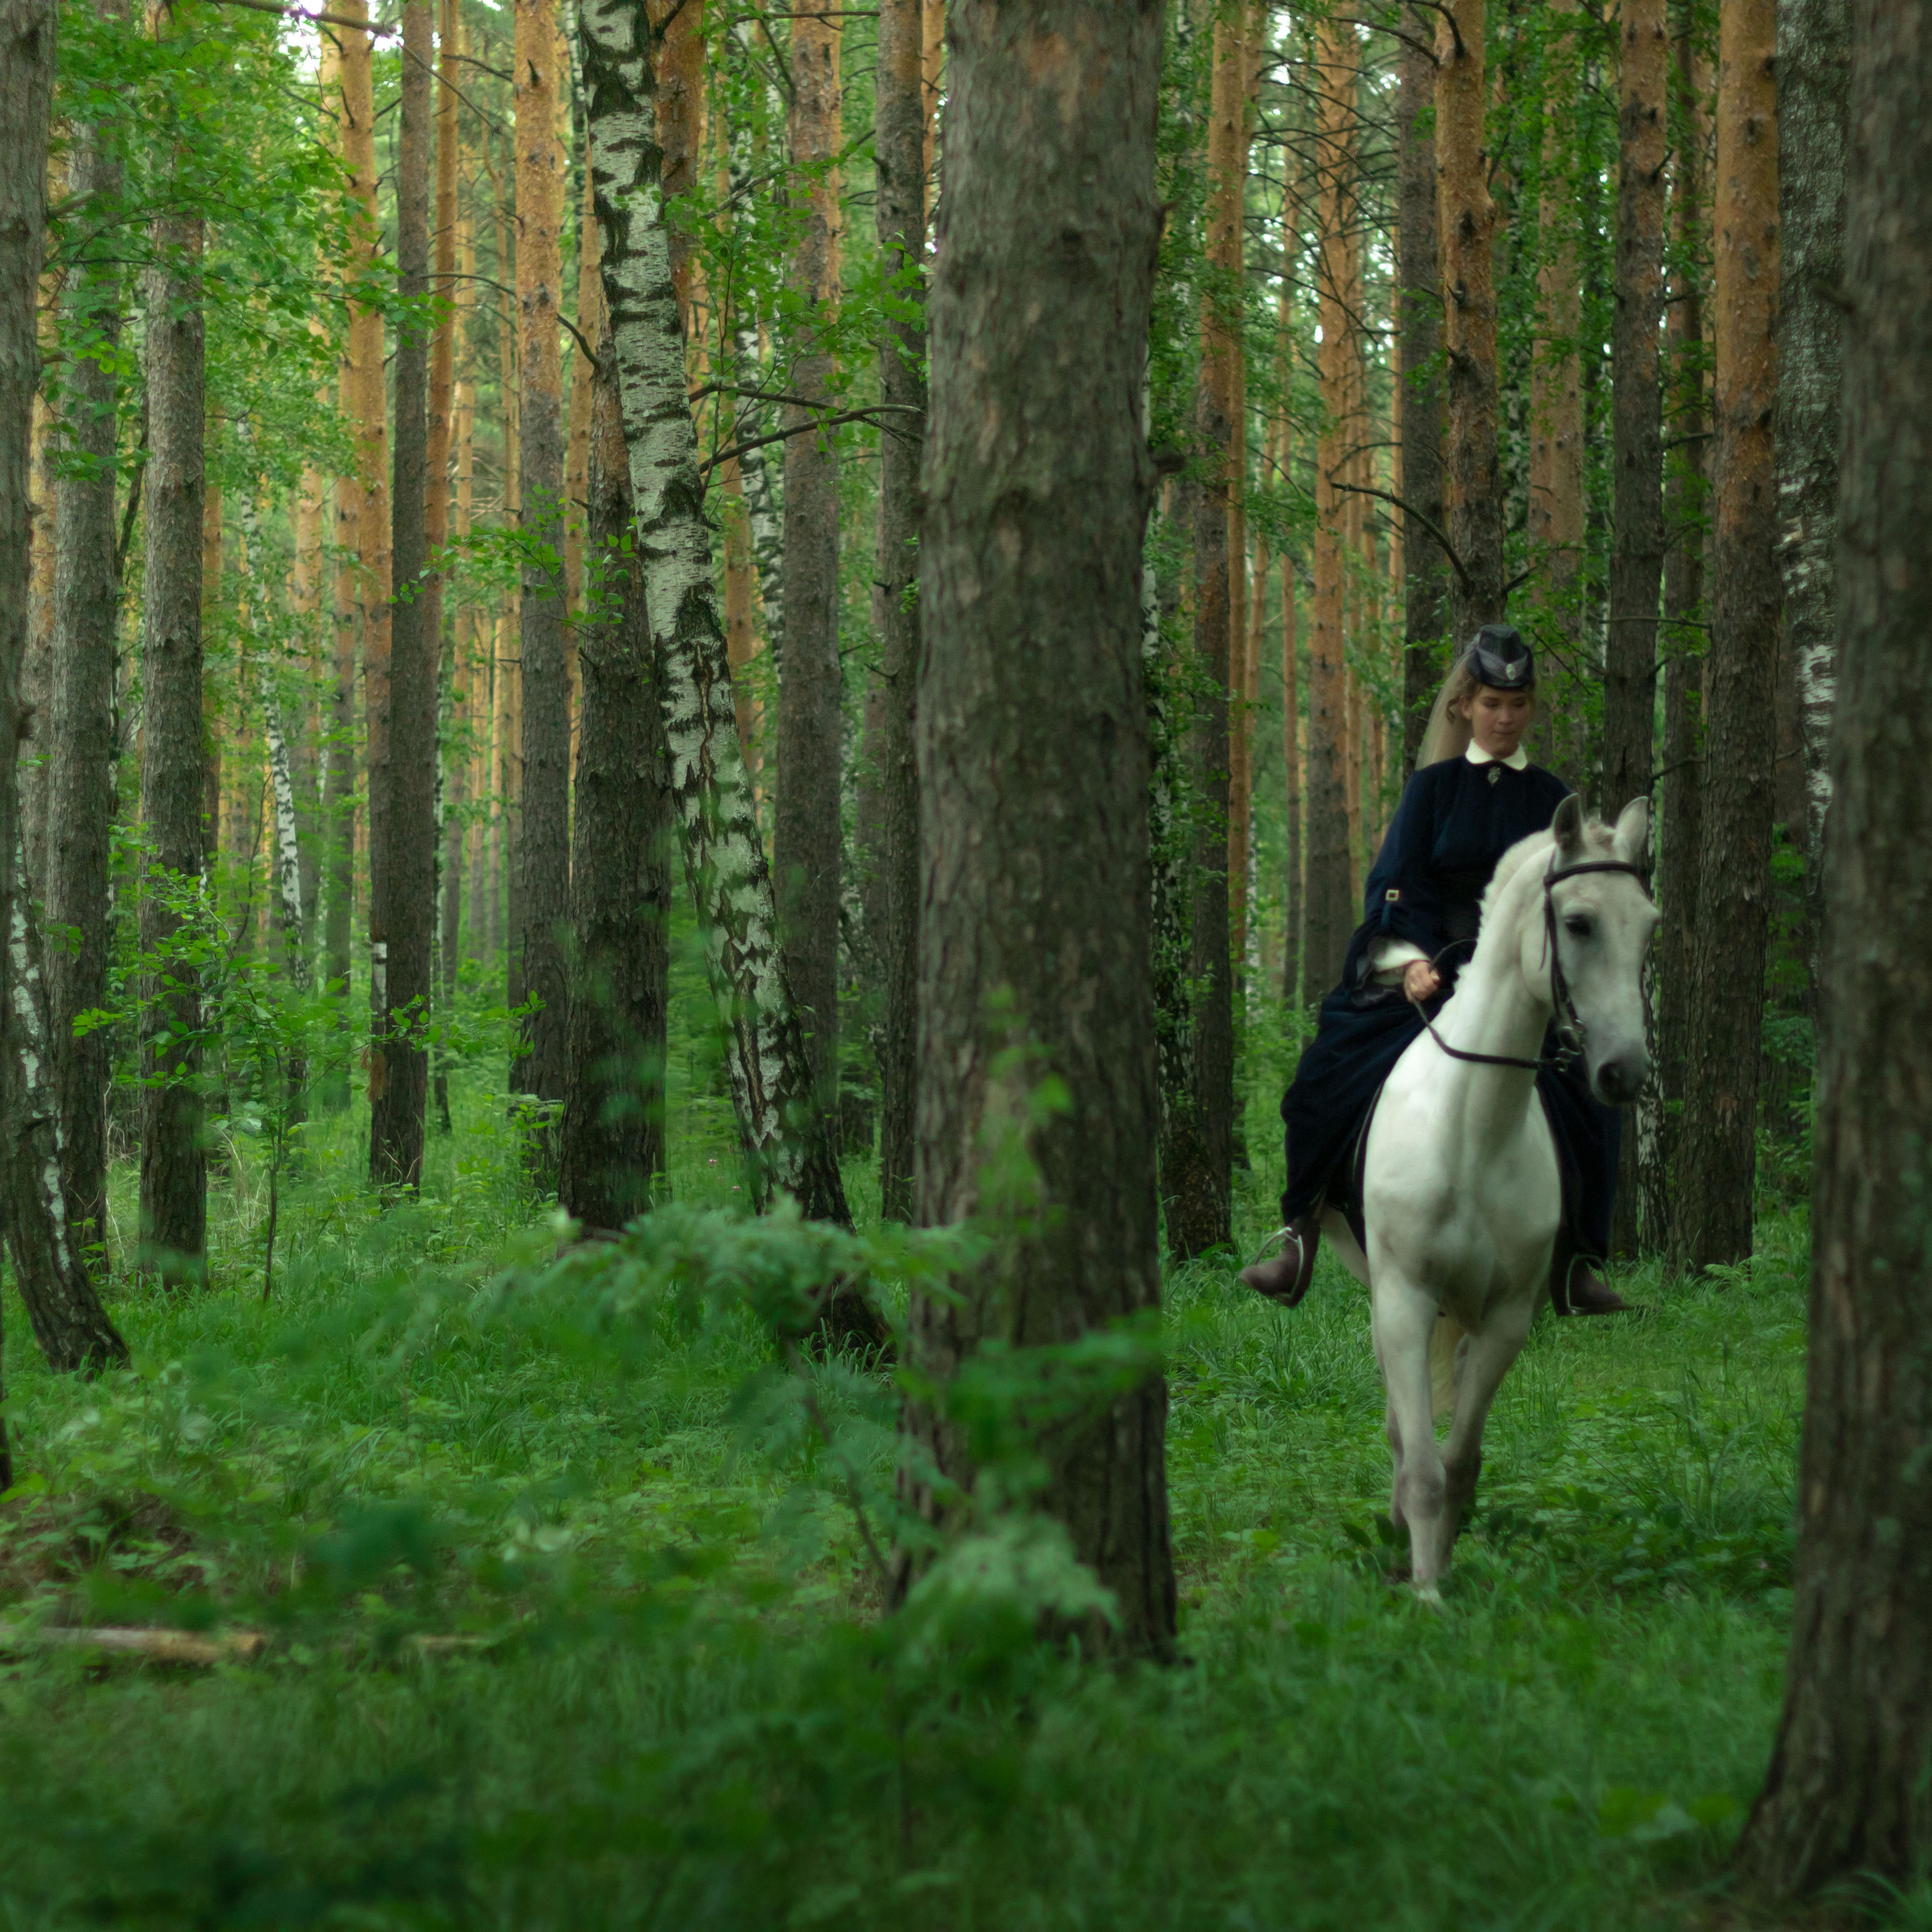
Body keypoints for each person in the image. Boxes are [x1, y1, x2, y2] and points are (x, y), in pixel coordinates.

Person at [1241, 623, 1633, 1316]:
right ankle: (1298, 1234)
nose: (1504, 718)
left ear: (1530, 708)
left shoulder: (1552, 798)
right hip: (1437, 973)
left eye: (1516, 705)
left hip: (1527, 985)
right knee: (1322, 1075)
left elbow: (1579, 900)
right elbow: (1394, 886)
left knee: (1588, 1088)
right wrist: (1409, 961)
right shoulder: (1431, 790)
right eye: (1490, 704)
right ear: (1465, 707)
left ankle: (1578, 1261)